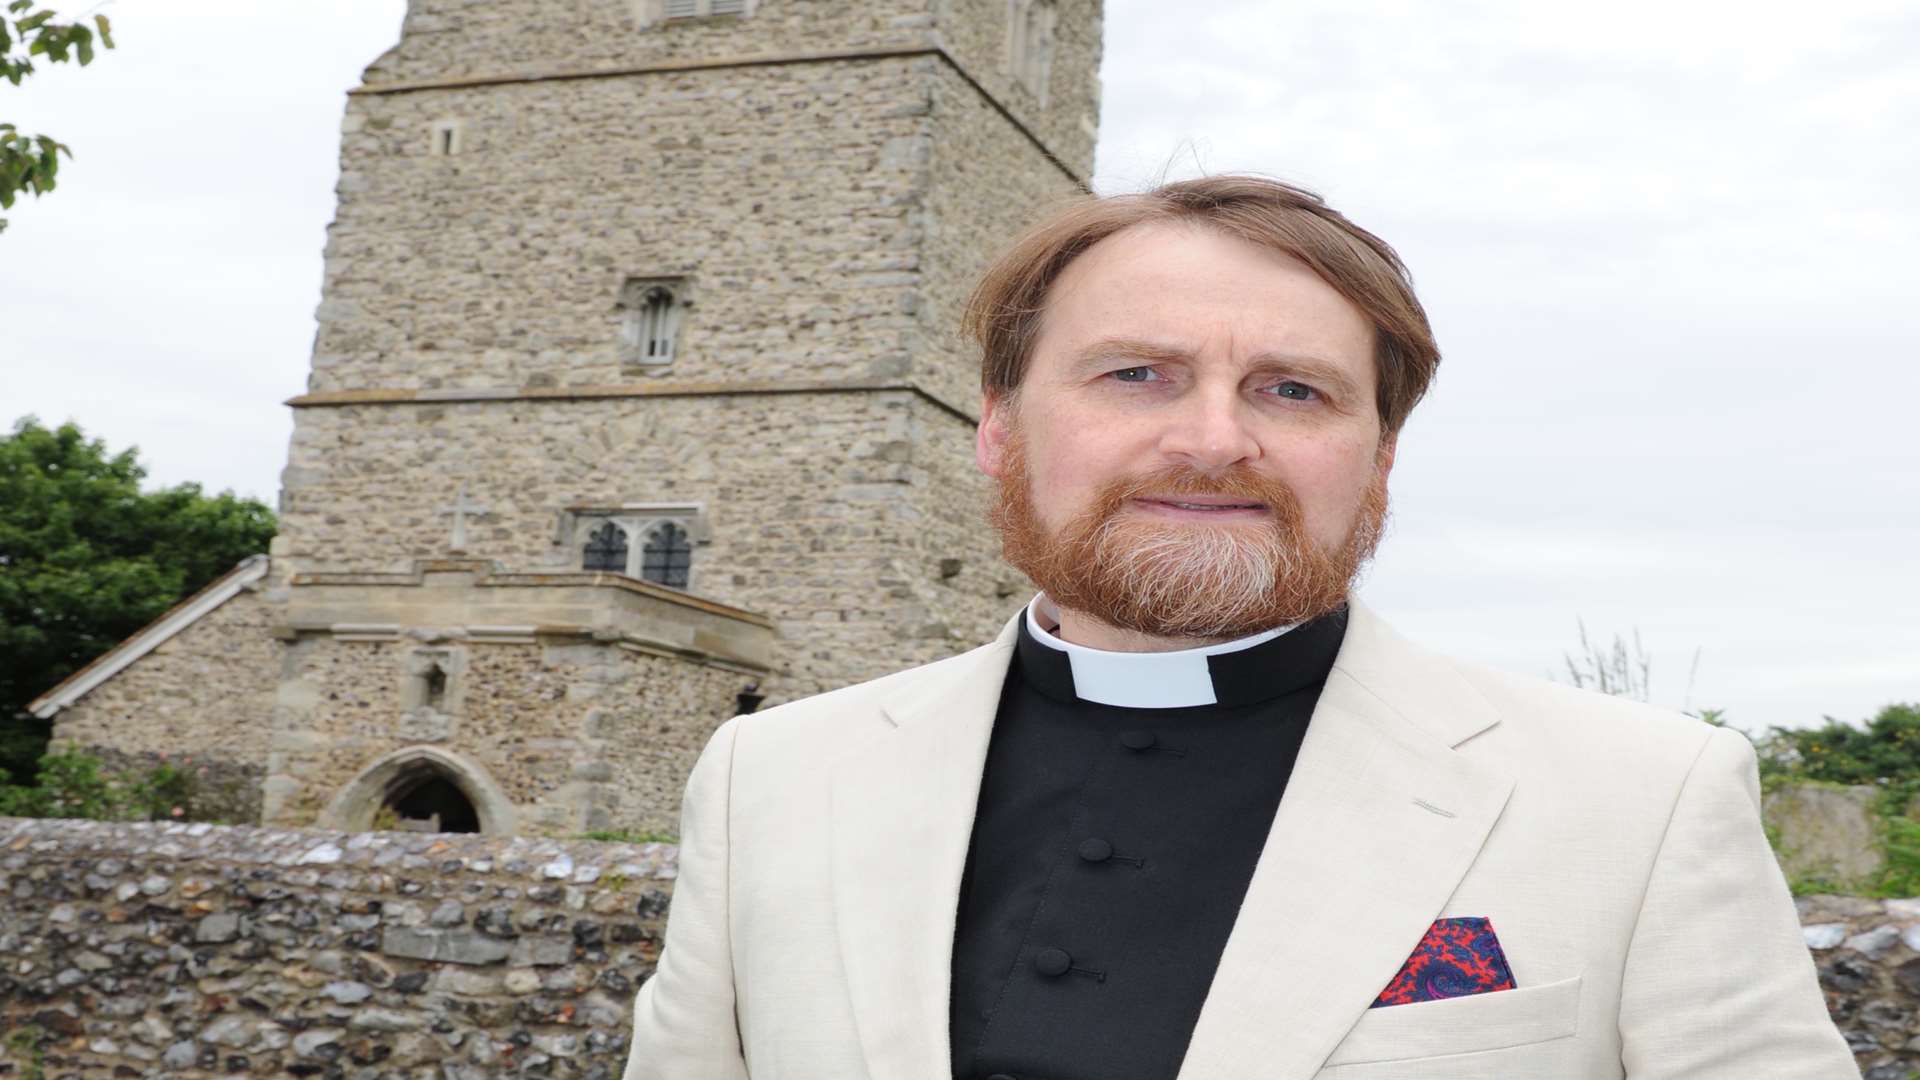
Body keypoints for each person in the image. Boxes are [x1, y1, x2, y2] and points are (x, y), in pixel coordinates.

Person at [622, 175, 1855, 1079]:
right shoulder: (768, 779)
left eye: (1292, 390)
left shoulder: (1642, 798)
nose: (1215, 440)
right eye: (1135, 375)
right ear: (999, 430)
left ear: (1378, 456)